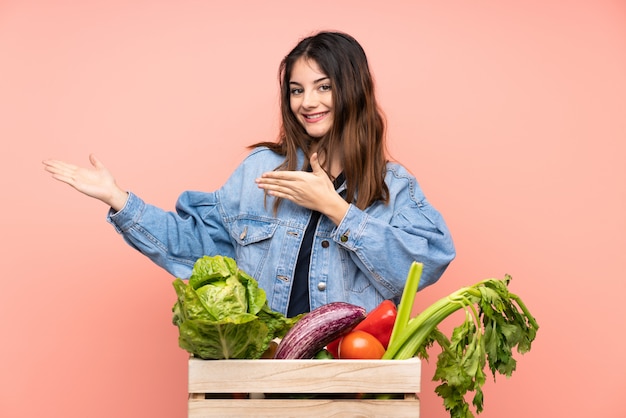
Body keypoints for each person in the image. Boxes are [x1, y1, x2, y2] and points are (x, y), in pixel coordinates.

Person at [43, 31, 455, 317]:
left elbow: (425, 265)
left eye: (323, 87)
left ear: (353, 90)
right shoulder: (260, 170)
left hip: (352, 375)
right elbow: (198, 248)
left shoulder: (393, 186)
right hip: (262, 375)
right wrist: (119, 200)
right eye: (296, 89)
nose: (307, 102)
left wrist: (337, 210)